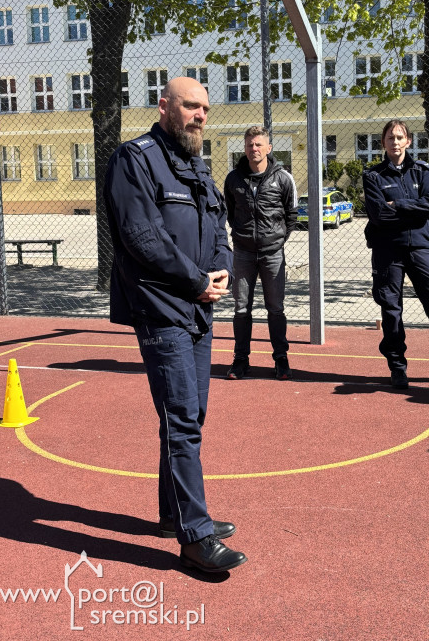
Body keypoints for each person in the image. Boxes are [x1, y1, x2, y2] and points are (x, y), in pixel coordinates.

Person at [103, 76, 247, 574]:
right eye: (190, 106)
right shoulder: (135, 158)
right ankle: (195, 536)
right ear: (164, 106)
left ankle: (173, 515)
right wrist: (196, 281)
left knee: (191, 416)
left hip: (199, 307)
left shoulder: (196, 164)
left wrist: (222, 267)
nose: (200, 116)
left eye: (205, 108)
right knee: (182, 417)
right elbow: (142, 237)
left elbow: (218, 227)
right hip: (162, 308)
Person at [362, 119, 429, 390]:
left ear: (408, 141)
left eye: (400, 137)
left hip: (421, 248)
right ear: (383, 143)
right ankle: (397, 368)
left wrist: (397, 204)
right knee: (391, 310)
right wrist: (412, 209)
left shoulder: (423, 171)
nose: (395, 142)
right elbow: (379, 215)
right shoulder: (373, 176)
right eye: (390, 138)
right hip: (388, 251)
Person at [223, 125, 298, 380]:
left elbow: (291, 215)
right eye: (249, 145)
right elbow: (231, 213)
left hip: (272, 254)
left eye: (258, 144)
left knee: (275, 308)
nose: (253, 149)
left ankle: (281, 359)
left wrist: (276, 240)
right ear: (244, 149)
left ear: (268, 148)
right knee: (241, 309)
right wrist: (243, 236)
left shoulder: (283, 178)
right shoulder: (233, 179)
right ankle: (240, 360)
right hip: (243, 253)